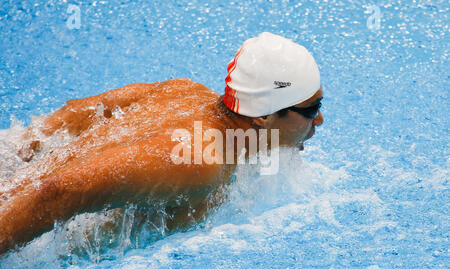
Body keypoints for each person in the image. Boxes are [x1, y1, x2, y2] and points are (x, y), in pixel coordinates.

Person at [0, 32, 323, 254]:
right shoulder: (200, 161)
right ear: (263, 116)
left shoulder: (181, 91)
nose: (319, 121)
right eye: (311, 110)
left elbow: (73, 114)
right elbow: (58, 190)